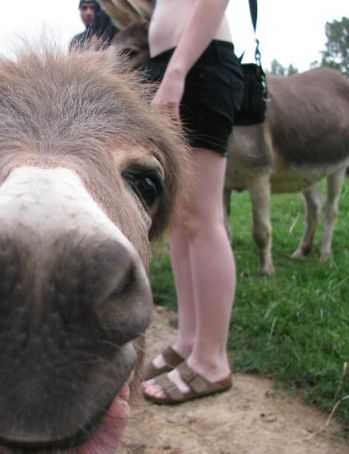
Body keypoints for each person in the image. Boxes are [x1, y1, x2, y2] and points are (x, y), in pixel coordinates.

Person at [141, 0, 243, 404]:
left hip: (195, 64)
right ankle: (189, 341)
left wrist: (177, 72)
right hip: (175, 64)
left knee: (202, 219)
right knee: (183, 220)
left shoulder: (186, 68)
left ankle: (212, 361)